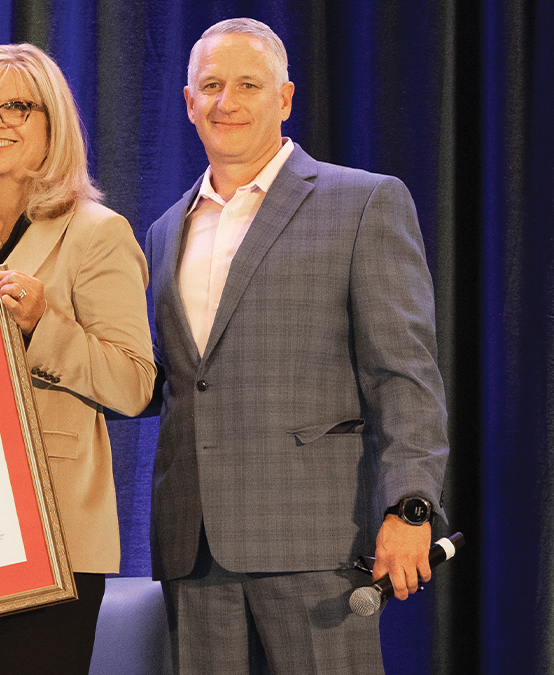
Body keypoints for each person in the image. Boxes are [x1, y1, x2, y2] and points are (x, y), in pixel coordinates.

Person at [144, 18, 449, 674]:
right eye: (211, 86)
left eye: (247, 85)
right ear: (188, 102)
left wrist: (410, 505)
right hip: (193, 548)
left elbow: (403, 374)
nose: (226, 101)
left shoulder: (364, 202)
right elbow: (171, 378)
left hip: (315, 539)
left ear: (284, 98)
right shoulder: (165, 230)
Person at [0, 43, 156, 675]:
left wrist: (45, 325)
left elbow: (135, 383)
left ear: (52, 125)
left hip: (47, 533)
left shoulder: (96, 232)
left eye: (17, 106)